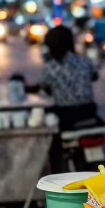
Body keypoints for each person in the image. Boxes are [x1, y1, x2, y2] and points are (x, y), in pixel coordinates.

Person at [39, 25, 99, 169]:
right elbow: (94, 76)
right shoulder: (85, 61)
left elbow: (46, 88)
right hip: (89, 111)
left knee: (50, 139)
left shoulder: (50, 67)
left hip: (66, 115)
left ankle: (57, 172)